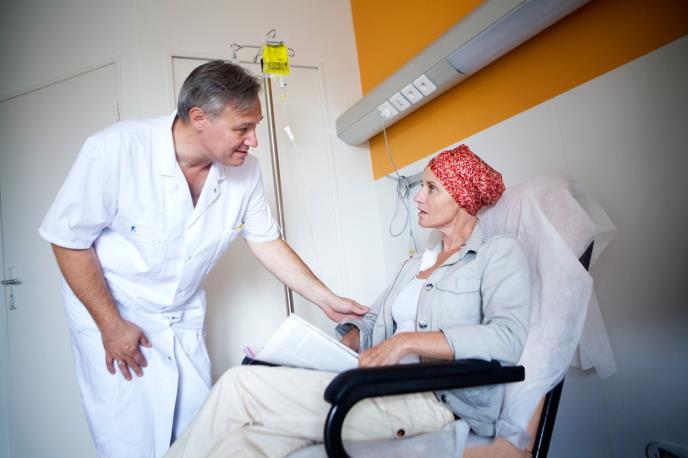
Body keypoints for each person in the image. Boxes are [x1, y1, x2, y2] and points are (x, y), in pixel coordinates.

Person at [38, 60, 367, 458]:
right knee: (130, 441)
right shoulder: (116, 150)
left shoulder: (245, 172)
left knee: (201, 436)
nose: (253, 140)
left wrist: (325, 298)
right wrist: (110, 326)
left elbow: (266, 241)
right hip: (116, 313)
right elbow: (68, 241)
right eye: (242, 128)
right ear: (198, 119)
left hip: (181, 317)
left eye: (255, 126)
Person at [165, 144, 532, 458]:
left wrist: (406, 342)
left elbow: (507, 337)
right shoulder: (415, 265)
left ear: (463, 197)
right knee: (242, 444)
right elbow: (371, 323)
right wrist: (347, 342)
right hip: (378, 388)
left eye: (431, 188)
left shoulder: (497, 254)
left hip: (433, 403)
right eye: (421, 186)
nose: (418, 196)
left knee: (239, 385)